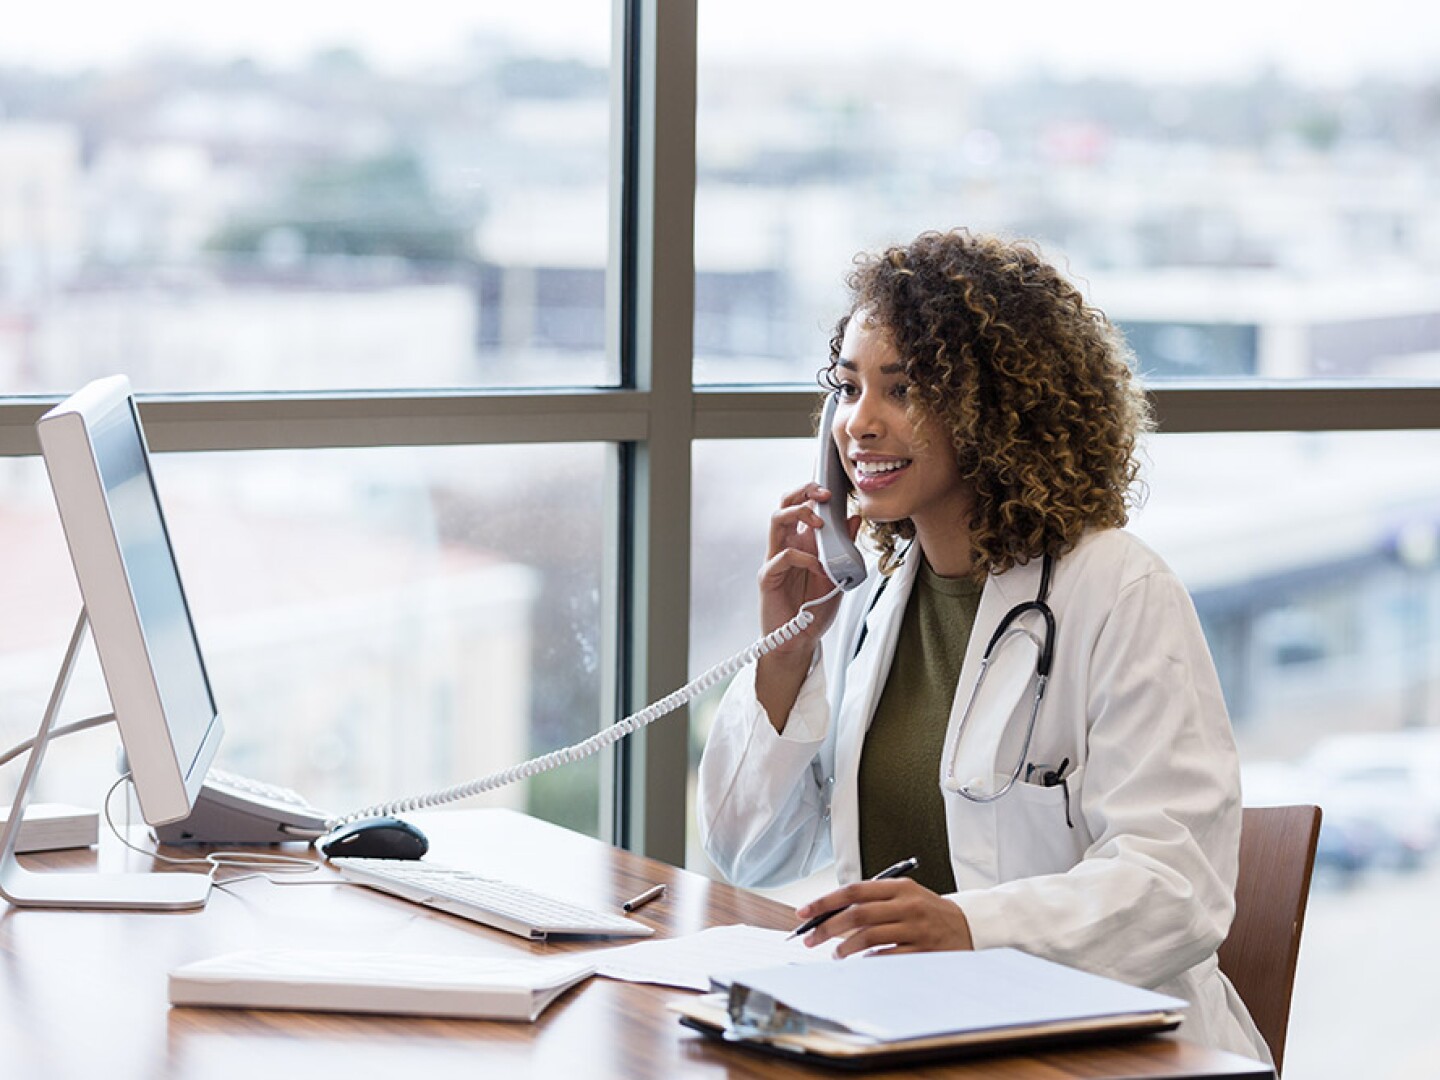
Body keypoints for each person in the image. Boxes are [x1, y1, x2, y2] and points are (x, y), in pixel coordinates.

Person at [697, 229, 1270, 1062]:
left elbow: (1174, 889)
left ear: (994, 408)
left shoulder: (1118, 591)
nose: (860, 423)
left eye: (902, 390)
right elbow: (748, 849)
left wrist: (969, 926)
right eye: (850, 390)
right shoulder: (872, 601)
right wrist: (787, 652)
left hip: (1097, 1047)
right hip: (917, 1033)